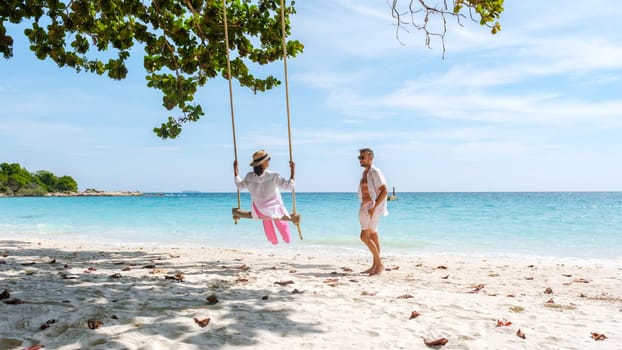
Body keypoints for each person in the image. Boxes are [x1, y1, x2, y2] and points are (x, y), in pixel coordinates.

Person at [234, 150, 295, 245]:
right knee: (280, 220)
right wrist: (292, 171)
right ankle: (287, 239)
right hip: (274, 210)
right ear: (263, 163)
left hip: (259, 211)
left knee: (266, 220)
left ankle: (273, 241)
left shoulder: (249, 176)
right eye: (268, 159)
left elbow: (239, 186)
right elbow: (289, 187)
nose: (269, 161)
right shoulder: (273, 176)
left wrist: (235, 171)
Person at [357, 148, 388, 275]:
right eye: (359, 158)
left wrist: (374, 208)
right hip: (367, 206)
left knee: (364, 236)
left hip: (372, 207)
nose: (360, 160)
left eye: (362, 157)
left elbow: (384, 190)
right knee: (373, 236)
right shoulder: (366, 173)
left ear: (371, 157)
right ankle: (375, 266)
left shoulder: (375, 171)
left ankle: (379, 264)